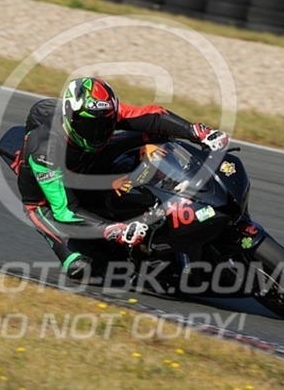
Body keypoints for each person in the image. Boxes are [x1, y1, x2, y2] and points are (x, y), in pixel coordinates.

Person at [16, 77, 229, 280]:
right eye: (88, 126)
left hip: (87, 163)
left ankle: (178, 195)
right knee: (83, 268)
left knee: (154, 135)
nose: (96, 132)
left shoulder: (107, 113)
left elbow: (152, 116)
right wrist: (115, 230)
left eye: (104, 125)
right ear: (69, 119)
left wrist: (197, 132)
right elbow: (65, 211)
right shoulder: (44, 151)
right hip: (49, 203)